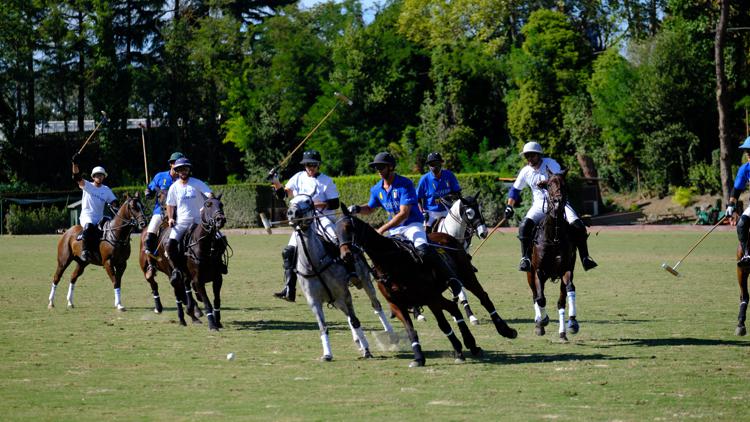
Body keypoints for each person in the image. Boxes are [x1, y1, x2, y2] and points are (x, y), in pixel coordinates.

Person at [348, 151, 463, 299]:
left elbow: (404, 213)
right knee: (382, 255)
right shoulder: (377, 189)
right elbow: (370, 208)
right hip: (394, 229)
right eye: (376, 168)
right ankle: (395, 291)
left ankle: (451, 279)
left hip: (412, 225)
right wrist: (357, 209)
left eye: (381, 167)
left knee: (423, 248)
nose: (378, 171)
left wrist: (382, 229)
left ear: (390, 167)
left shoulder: (405, 184)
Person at [505, 141, 598, 272]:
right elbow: (514, 191)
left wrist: (546, 182)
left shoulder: (550, 163)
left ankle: (585, 257)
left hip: (559, 202)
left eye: (532, 155)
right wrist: (509, 207)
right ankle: (525, 258)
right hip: (539, 205)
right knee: (524, 226)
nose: (529, 159)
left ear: (539, 155)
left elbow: (559, 178)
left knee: (578, 225)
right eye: (527, 156)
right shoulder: (525, 171)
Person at [270, 150, 347, 302]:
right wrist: (275, 180)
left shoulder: (326, 181)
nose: (310, 168)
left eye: (313, 165)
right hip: (302, 222)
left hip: (321, 218)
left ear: (318, 165)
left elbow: (335, 203)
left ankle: (349, 273)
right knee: (289, 252)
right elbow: (283, 195)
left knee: (336, 240)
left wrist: (311, 205)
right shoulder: (298, 177)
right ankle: (289, 289)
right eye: (307, 165)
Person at [165, 157, 214, 283]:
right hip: (182, 222)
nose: (183, 171)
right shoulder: (174, 187)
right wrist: (170, 218)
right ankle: (176, 270)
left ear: (189, 170)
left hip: (200, 221)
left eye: (185, 169)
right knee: (170, 245)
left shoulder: (197, 183)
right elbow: (170, 204)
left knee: (220, 238)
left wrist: (209, 201)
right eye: (180, 169)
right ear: (177, 171)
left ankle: (220, 264)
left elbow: (210, 195)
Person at [71, 154, 118, 262]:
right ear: (93, 177)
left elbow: (114, 201)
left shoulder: (106, 190)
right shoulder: (87, 185)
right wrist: (75, 164)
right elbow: (76, 176)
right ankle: (85, 251)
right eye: (97, 175)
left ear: (104, 177)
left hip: (99, 217)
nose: (99, 177)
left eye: (101, 175)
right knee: (89, 226)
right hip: (87, 216)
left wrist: (114, 204)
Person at [143, 152, 184, 260]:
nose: (178, 166)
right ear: (171, 164)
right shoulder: (160, 176)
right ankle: (150, 255)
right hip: (160, 211)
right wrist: (148, 192)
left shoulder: (183, 179)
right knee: (152, 228)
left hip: (179, 212)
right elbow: (151, 189)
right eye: (175, 163)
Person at [417, 152, 462, 233]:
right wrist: (422, 212)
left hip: (448, 210)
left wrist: (449, 196)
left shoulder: (449, 175)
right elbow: (418, 199)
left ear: (441, 163)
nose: (433, 167)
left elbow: (458, 194)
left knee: (462, 227)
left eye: (436, 163)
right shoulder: (424, 179)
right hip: (431, 213)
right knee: (425, 233)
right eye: (431, 164)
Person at [726, 137, 750, 267]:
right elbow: (736, 190)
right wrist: (731, 205)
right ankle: (747, 254)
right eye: (746, 150)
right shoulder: (745, 169)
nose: (748, 153)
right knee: (741, 224)